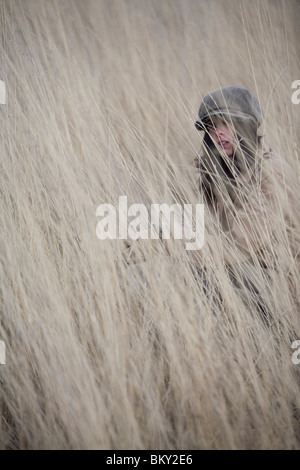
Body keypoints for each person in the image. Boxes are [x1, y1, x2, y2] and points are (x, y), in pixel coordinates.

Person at [194, 86, 300, 319]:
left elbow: (238, 246)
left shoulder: (273, 173)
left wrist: (166, 242)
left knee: (212, 269)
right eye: (211, 126)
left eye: (226, 123)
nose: (218, 133)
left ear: (250, 125)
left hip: (286, 291)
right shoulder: (220, 172)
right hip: (260, 279)